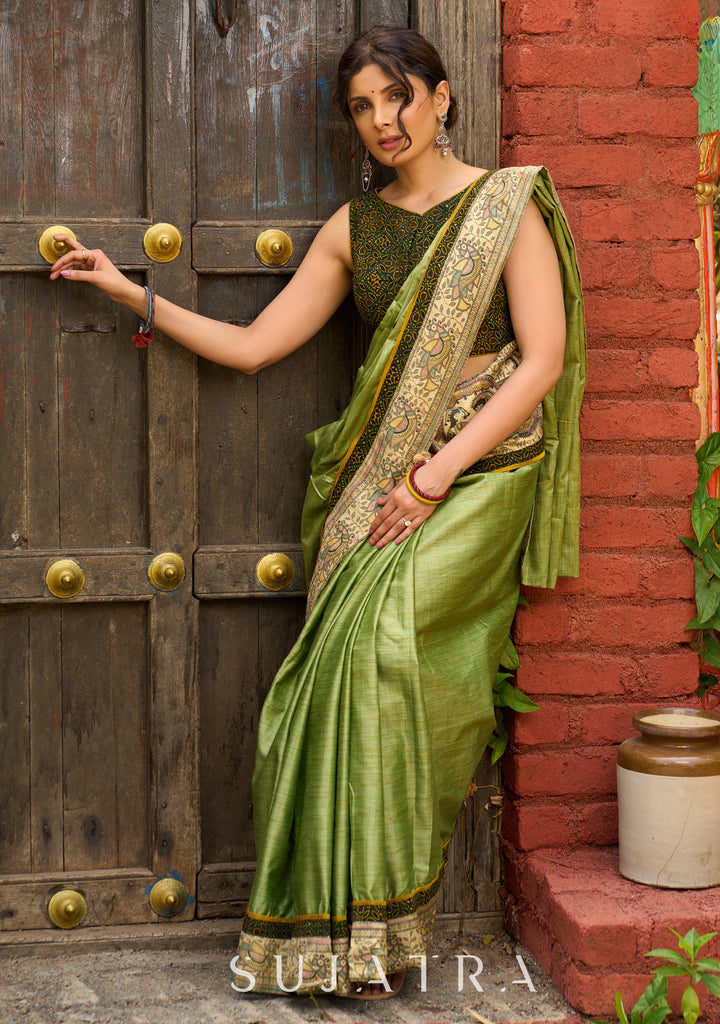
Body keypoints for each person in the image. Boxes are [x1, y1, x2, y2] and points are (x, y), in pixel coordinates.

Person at [49, 25, 585, 1000]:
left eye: (400, 98)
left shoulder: (506, 207)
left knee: (391, 659)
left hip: (484, 467)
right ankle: (335, 940)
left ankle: (379, 929)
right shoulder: (356, 227)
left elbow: (540, 360)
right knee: (331, 684)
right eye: (364, 108)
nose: (385, 120)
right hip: (382, 477)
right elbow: (257, 347)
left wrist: (438, 473)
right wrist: (130, 288)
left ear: (442, 97)